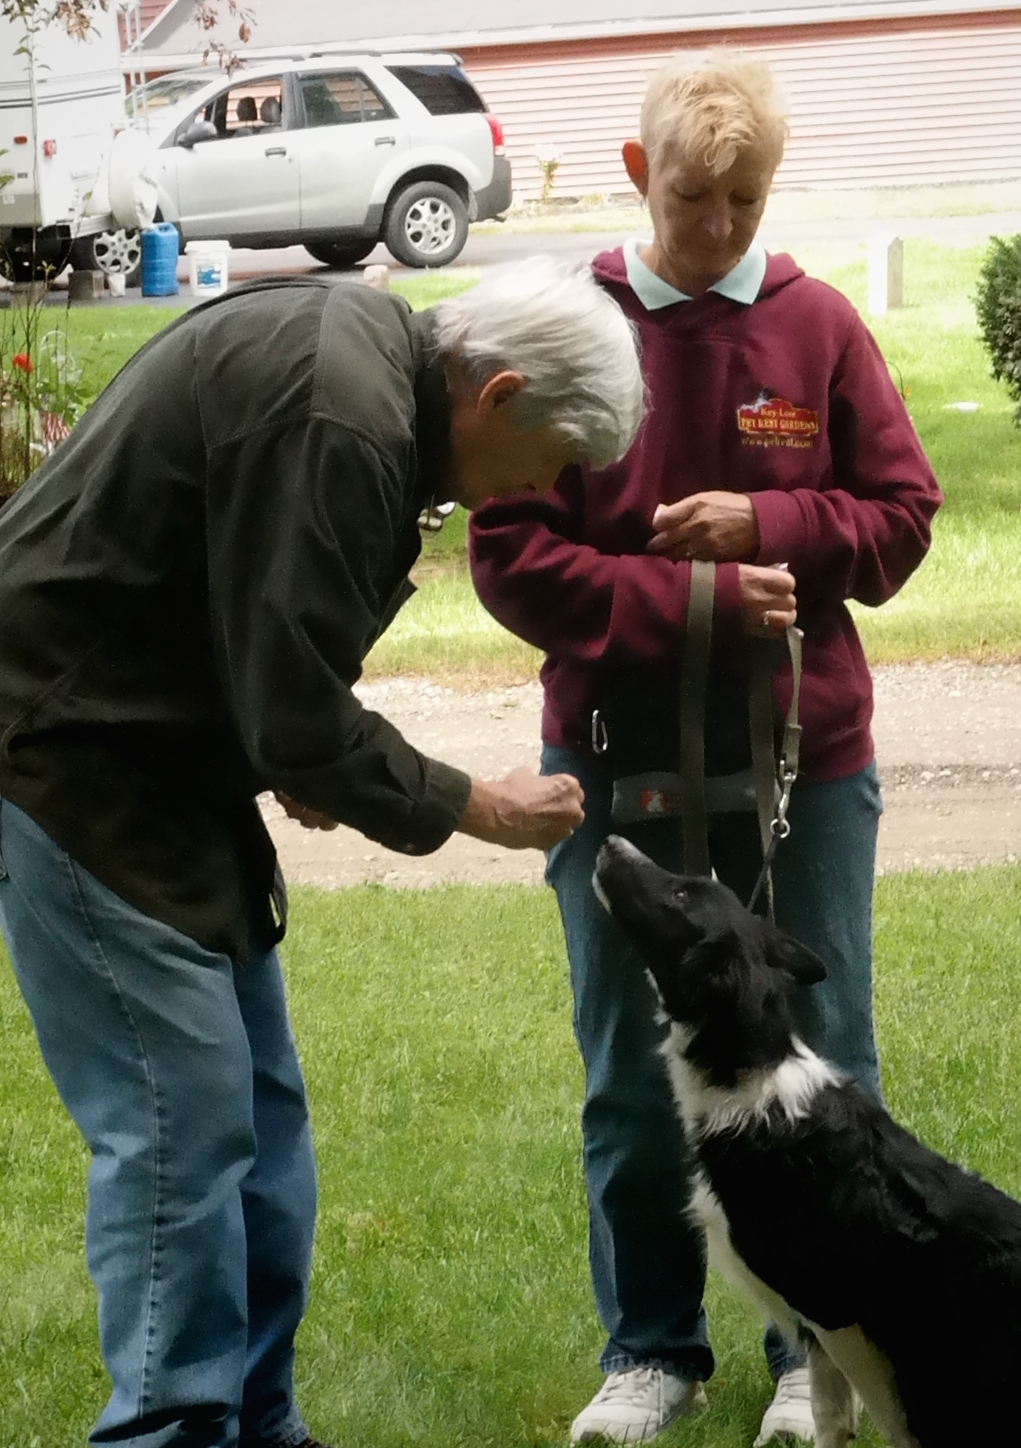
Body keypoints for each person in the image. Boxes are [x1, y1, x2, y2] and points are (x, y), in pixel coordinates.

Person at [0, 257, 643, 1448]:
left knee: (259, 1121)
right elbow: (294, 712)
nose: (542, 492)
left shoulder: (370, 372)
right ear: (497, 393)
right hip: (77, 755)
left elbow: (263, 642)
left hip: (176, 764)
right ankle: (171, 1430)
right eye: (553, 461)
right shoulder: (340, 412)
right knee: (180, 1131)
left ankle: (259, 1421)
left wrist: (292, 739)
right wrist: (476, 805)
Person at [469, 52, 942, 1448]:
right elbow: (511, 556)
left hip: (805, 762)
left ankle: (816, 1356)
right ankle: (651, 1351)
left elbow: (901, 519)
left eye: (746, 200)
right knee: (630, 1071)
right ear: (638, 173)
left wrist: (772, 524)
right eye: (692, 199)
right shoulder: (573, 325)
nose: (720, 225)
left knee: (822, 1056)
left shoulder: (816, 326)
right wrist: (691, 598)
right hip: (610, 757)